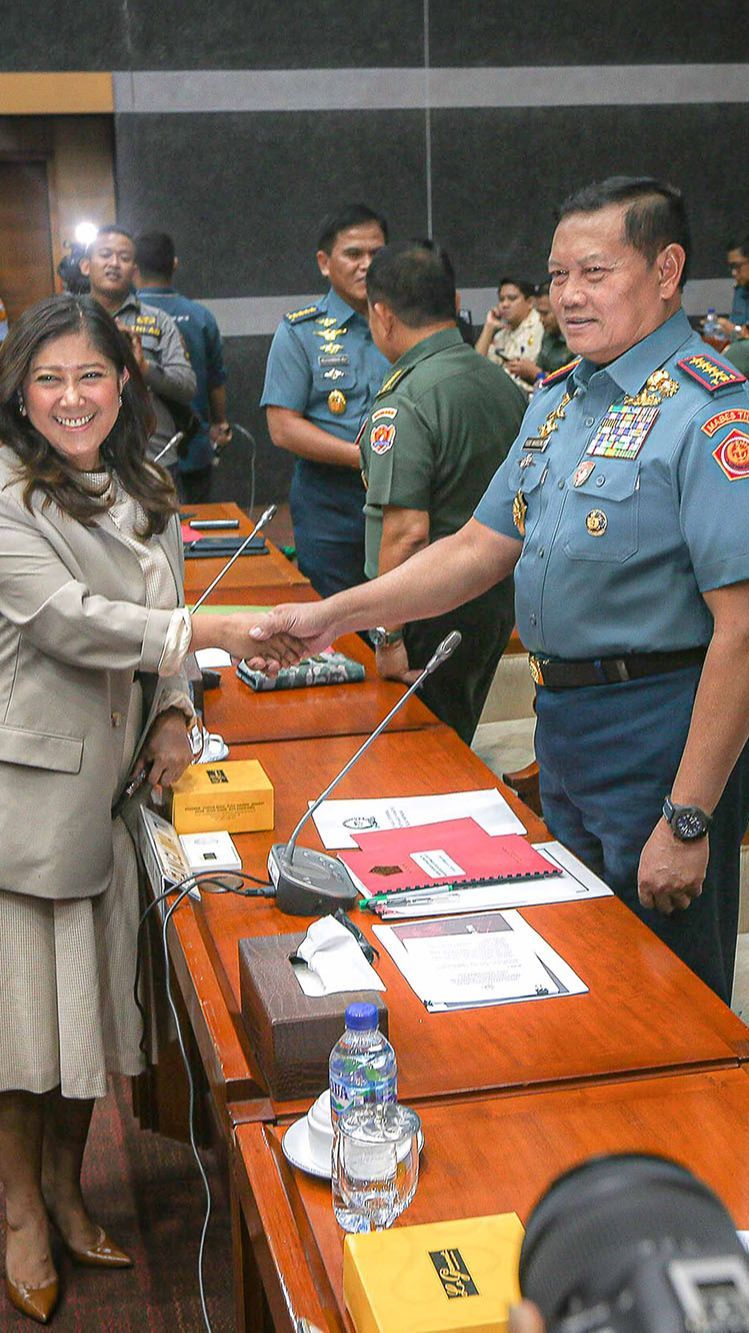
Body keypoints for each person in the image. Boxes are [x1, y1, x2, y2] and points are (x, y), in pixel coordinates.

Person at [249, 176, 749, 1007]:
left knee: (669, 1000)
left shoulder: (711, 413)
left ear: (666, 270)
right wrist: (332, 614)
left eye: (594, 272)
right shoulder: (558, 402)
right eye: (557, 276)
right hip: (568, 729)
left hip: (663, 731)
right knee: (584, 971)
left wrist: (689, 815)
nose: (568, 297)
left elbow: (741, 631)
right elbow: (479, 548)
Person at [0, 293, 288, 1324]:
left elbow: (160, 619)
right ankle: (19, 1214)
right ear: (20, 392)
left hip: (119, 799)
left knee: (90, 1024)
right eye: (48, 378)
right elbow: (74, 623)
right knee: (22, 1037)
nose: (70, 397)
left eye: (89, 375)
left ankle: (68, 1191)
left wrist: (175, 712)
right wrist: (221, 638)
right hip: (27, 806)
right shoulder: (4, 494)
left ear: (123, 382)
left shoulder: (144, 486)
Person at [361, 239, 526, 741]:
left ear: (383, 316)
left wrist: (387, 634)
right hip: (493, 600)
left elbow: (407, 533)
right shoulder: (499, 383)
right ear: (453, 305)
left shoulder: (406, 400)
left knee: (418, 752)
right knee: (453, 738)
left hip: (424, 615)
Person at [261, 203, 389, 597]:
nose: (366, 265)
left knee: (403, 619)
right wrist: (363, 458)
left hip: (404, 501)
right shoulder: (300, 332)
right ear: (324, 262)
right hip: (331, 503)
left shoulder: (406, 323)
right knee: (338, 620)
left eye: (377, 254)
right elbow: (282, 428)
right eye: (353, 254)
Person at [81, 226, 197, 473]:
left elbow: (187, 387)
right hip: (81, 458)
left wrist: (143, 367)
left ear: (134, 272)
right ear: (86, 265)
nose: (114, 263)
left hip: (152, 457)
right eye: (104, 254)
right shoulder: (64, 320)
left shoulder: (159, 322)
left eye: (124, 258)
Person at [135, 231, 231, 504]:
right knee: (195, 530)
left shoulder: (127, 317)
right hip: (195, 442)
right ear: (174, 264)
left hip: (146, 450)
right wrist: (220, 423)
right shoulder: (201, 316)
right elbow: (216, 380)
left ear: (133, 268)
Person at [475, 278, 544, 395]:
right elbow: (475, 367)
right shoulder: (501, 335)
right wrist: (488, 327)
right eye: (501, 299)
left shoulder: (542, 326)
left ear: (530, 302)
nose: (504, 304)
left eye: (512, 299)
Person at [505, 281, 570, 388]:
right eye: (539, 313)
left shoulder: (576, 343)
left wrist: (535, 373)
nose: (540, 319)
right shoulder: (548, 335)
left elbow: (568, 387)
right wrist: (524, 371)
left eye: (545, 314)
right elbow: (540, 376)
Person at [717, 231, 749, 340]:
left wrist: (734, 330)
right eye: (731, 267)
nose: (734, 273)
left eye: (737, 266)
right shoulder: (740, 291)